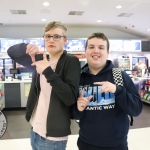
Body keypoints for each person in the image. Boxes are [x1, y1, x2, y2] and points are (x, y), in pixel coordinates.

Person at [7, 21, 81, 150]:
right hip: (35, 129)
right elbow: (11, 52)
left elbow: (70, 97)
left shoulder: (71, 61)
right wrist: (26, 47)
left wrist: (47, 71)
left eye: (57, 36)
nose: (51, 40)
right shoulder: (40, 58)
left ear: (65, 40)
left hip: (53, 137)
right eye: (48, 36)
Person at [71, 32, 142, 150]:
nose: (96, 51)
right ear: (86, 52)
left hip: (117, 145)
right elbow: (72, 114)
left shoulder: (120, 76)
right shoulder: (78, 79)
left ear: (107, 53)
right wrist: (78, 109)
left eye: (101, 47)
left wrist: (118, 91)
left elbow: (136, 109)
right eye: (91, 47)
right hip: (86, 144)